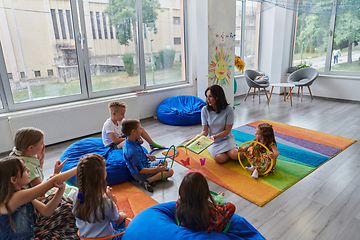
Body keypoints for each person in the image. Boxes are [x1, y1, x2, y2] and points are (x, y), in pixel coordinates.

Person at [0, 156, 76, 239]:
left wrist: (61, 189)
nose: (29, 170)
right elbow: (53, 182)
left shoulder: (21, 193)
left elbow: (46, 211)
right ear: (13, 180)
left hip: (31, 232)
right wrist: (79, 167)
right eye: (25, 169)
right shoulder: (15, 198)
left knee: (66, 207)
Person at [10, 127, 77, 198]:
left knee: (71, 189)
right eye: (41, 143)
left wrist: (41, 160)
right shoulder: (28, 166)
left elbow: (38, 176)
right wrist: (55, 173)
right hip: (39, 198)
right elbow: (41, 191)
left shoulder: (25, 157)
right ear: (31, 148)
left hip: (39, 191)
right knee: (72, 191)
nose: (43, 145)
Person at [73, 153, 127, 239]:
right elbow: (118, 219)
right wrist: (116, 206)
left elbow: (95, 206)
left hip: (84, 238)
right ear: (101, 178)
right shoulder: (106, 203)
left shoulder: (76, 195)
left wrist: (107, 198)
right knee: (131, 229)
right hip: (107, 238)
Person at [122, 119, 174, 193]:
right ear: (133, 132)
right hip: (141, 174)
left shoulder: (132, 140)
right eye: (140, 128)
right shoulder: (132, 151)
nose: (141, 130)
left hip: (146, 164)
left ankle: (154, 177)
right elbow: (141, 170)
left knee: (164, 162)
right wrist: (156, 170)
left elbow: (138, 154)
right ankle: (147, 181)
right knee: (170, 172)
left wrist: (147, 156)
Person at [201, 85, 238, 163]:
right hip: (212, 140)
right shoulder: (204, 110)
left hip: (226, 138)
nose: (207, 99)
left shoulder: (228, 109)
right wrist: (197, 139)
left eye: (210, 96)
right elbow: (205, 131)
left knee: (236, 155)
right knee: (219, 159)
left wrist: (216, 136)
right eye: (207, 96)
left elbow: (227, 131)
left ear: (217, 97)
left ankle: (232, 152)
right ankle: (229, 152)